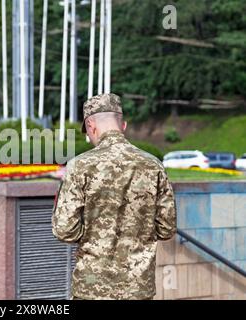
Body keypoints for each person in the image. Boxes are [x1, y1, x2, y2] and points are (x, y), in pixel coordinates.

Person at [52, 93, 176, 300]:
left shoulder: (80, 166)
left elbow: (65, 231)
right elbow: (166, 228)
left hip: (92, 287)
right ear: (123, 125)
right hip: (138, 287)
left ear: (91, 126)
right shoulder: (153, 165)